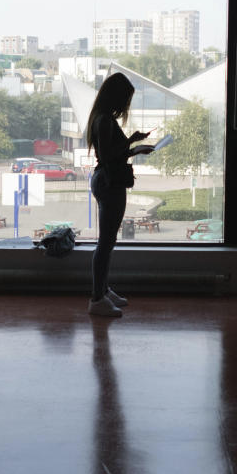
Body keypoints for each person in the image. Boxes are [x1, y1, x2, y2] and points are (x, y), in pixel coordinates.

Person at [85, 73, 154, 317]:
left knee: (108, 241)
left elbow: (113, 153)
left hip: (106, 180)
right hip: (109, 182)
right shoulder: (104, 121)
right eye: (125, 99)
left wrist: (134, 145)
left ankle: (103, 290)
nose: (126, 105)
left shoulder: (102, 118)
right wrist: (132, 146)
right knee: (105, 243)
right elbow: (109, 156)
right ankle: (97, 298)